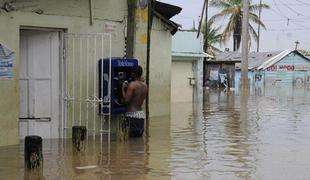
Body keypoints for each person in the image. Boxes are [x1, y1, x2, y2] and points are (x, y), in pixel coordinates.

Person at [122, 65, 148, 137]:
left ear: (133, 74)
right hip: (141, 116)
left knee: (130, 141)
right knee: (138, 141)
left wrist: (122, 89)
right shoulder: (145, 86)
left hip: (132, 116)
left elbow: (126, 100)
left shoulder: (132, 85)